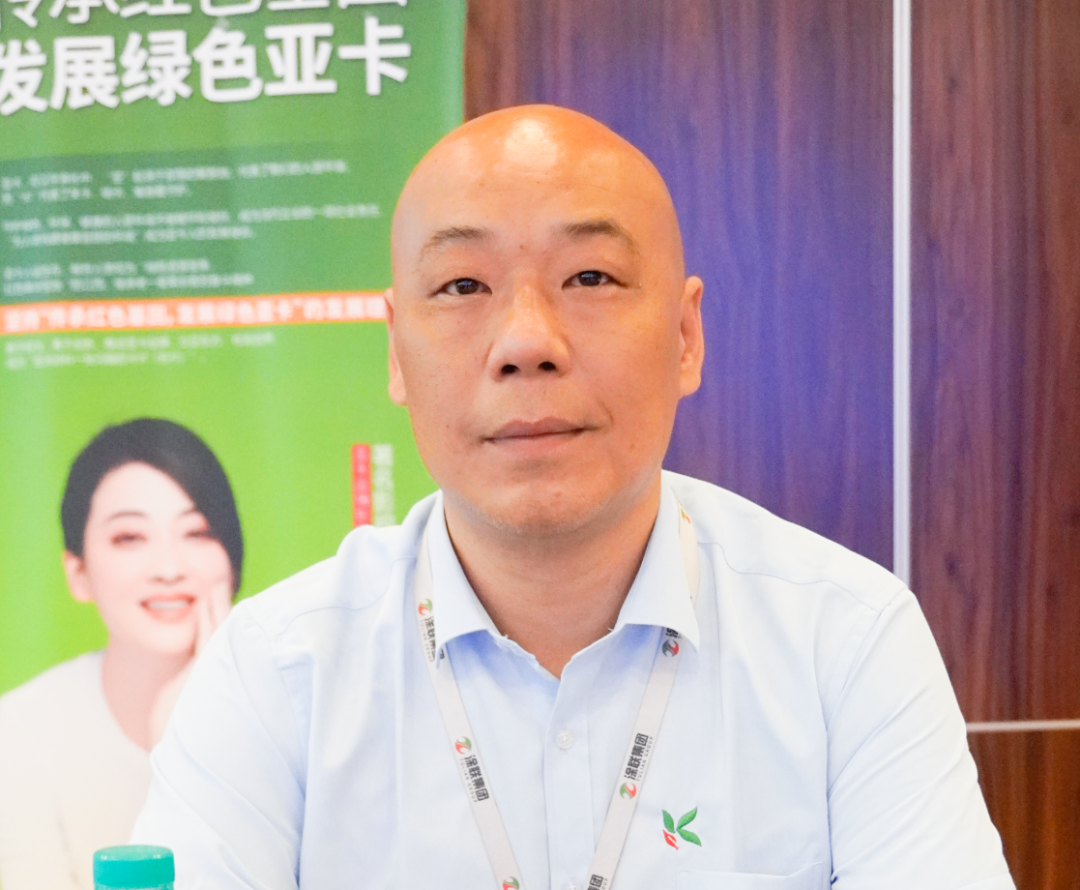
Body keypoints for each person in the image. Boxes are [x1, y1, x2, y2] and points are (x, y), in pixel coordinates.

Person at [131, 107, 1014, 889]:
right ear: (396, 353)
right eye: (463, 286)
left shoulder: (843, 642)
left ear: (685, 335)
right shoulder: (278, 673)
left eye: (590, 278)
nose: (526, 341)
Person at [0, 418, 241, 890]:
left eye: (197, 532)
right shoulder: (17, 735)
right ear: (79, 573)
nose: (169, 568)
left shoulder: (292, 718)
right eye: (130, 537)